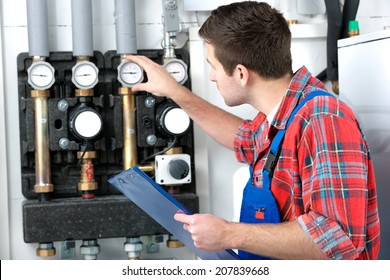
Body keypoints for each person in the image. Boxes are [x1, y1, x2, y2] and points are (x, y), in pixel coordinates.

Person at [128, 1, 380, 260]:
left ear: (240, 74)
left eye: (213, 66)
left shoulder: (324, 120)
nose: (212, 77)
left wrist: (228, 234)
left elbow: (337, 238)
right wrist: (174, 91)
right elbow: (243, 138)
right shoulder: (284, 114)